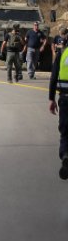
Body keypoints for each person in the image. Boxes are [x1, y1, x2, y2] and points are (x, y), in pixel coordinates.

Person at [49, 38, 68, 180]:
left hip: (65, 98)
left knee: (65, 131)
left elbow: (54, 77)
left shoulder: (62, 54)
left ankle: (65, 154)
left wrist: (51, 99)